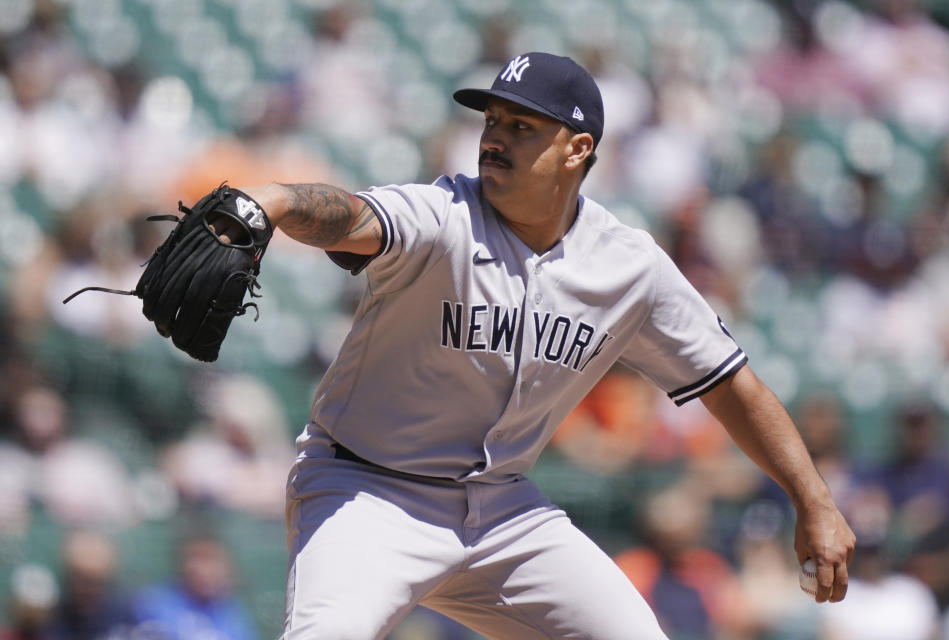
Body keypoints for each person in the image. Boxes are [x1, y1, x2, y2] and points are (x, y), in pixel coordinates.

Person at [234, 52, 855, 638]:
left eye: (522, 125)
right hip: (369, 491)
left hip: (503, 508)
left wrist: (814, 499)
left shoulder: (628, 265)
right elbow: (353, 215)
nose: (494, 137)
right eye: (493, 120)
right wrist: (279, 202)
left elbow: (733, 388)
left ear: (578, 148)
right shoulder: (445, 215)